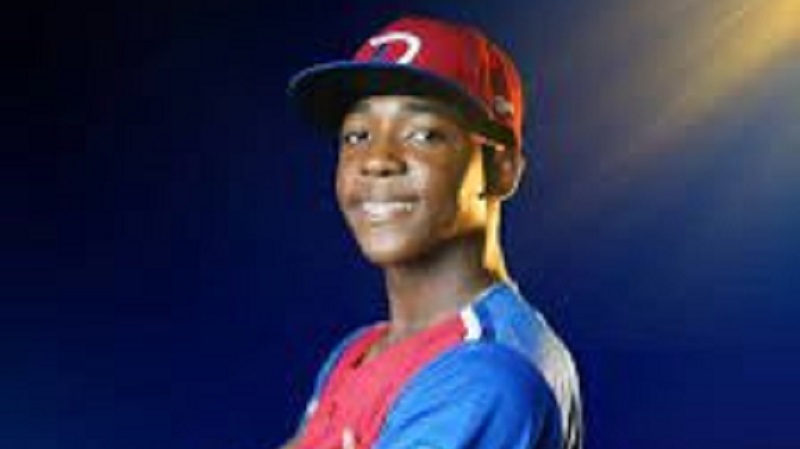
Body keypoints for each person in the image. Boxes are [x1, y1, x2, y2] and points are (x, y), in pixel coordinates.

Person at [283, 15, 583, 449]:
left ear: (501, 169)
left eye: (424, 134)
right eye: (357, 136)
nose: (377, 160)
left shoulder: (486, 373)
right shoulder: (357, 351)